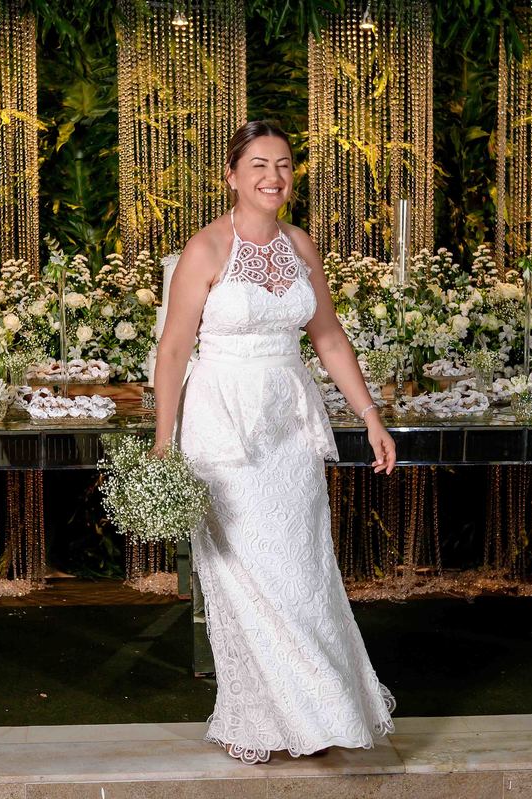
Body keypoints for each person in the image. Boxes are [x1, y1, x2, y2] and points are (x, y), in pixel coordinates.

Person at [152, 120, 398, 765]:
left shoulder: (301, 246)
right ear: (233, 176)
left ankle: (321, 710)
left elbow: (330, 339)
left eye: (284, 165)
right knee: (247, 573)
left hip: (289, 424)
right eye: (259, 164)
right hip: (223, 426)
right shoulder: (204, 249)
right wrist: (163, 442)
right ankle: (270, 716)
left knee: (303, 566)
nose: (273, 176)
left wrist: (370, 416)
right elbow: (173, 350)